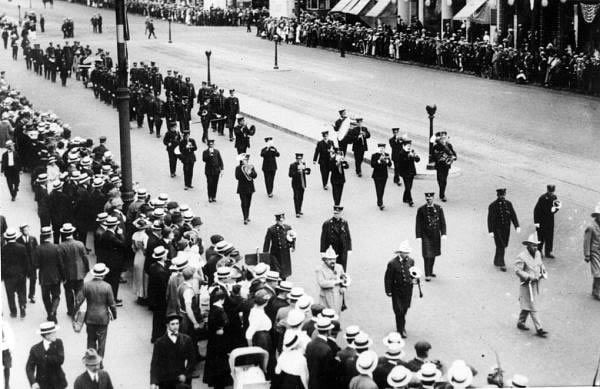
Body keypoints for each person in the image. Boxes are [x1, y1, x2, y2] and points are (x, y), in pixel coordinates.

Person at [515, 234, 548, 338]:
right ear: (528, 245)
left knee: (527, 305)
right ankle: (539, 328)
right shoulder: (521, 256)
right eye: (533, 245)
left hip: (535, 283)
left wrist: (543, 271)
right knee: (533, 305)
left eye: (536, 245)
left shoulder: (537, 253)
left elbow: (540, 264)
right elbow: (517, 270)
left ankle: (521, 322)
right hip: (526, 285)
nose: (535, 248)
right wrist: (528, 277)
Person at [150, 314, 196, 389]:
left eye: (177, 323)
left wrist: (185, 374)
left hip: (181, 379)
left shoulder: (186, 339)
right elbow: (155, 363)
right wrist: (153, 382)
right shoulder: (159, 342)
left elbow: (192, 359)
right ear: (167, 325)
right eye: (172, 324)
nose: (175, 326)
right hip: (166, 380)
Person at [82, 263, 117, 359]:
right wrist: (114, 315)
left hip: (90, 317)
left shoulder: (86, 285)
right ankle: (100, 361)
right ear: (104, 274)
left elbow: (79, 300)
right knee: (102, 341)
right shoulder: (107, 286)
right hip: (103, 318)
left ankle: (92, 359)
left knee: (91, 340)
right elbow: (112, 304)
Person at [384, 241, 417, 338]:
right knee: (399, 310)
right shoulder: (392, 263)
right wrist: (388, 290)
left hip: (407, 290)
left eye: (407, 253)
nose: (406, 254)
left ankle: (401, 326)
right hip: (396, 290)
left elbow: (412, 273)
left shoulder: (411, 261)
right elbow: (388, 278)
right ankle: (401, 329)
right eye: (404, 252)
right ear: (400, 252)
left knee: (405, 308)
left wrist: (414, 280)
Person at [57, 223, 89, 316]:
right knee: (79, 292)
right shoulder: (80, 244)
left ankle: (70, 311)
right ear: (72, 232)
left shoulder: (61, 246)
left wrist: (62, 276)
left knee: (68, 292)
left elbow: (61, 263)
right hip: (79, 273)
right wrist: (86, 270)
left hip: (67, 274)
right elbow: (85, 258)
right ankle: (78, 309)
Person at [34, 227, 63, 323]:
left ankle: (50, 313)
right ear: (50, 236)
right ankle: (53, 312)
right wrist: (63, 277)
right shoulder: (56, 247)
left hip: (44, 277)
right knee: (56, 296)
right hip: (55, 276)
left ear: (42, 236)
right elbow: (60, 264)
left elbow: (36, 264)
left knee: (45, 297)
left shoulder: (38, 248)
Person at [25, 322, 67, 389]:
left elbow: (60, 360)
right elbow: (29, 367)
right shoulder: (35, 349)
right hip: (43, 384)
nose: (56, 335)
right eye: (53, 333)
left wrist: (46, 356)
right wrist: (33, 382)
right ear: (47, 336)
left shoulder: (58, 343)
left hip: (58, 382)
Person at [203, 289, 231, 389]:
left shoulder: (213, 308)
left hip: (213, 341)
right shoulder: (220, 310)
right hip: (219, 341)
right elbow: (225, 323)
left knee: (214, 362)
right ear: (222, 299)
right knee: (220, 363)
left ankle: (216, 382)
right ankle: (220, 383)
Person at [415, 193, 447, 281]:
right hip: (425, 235)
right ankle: (427, 273)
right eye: (427, 198)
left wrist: (443, 233)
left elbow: (442, 221)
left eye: (430, 198)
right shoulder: (421, 209)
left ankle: (431, 271)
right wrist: (418, 236)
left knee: (433, 254)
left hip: (436, 234)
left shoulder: (438, 208)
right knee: (427, 254)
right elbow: (418, 223)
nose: (429, 199)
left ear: (433, 198)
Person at [487, 188, 520, 271]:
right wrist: (490, 231)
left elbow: (513, 215)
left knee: (503, 245)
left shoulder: (508, 204)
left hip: (506, 229)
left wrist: (517, 226)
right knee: (501, 245)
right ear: (497, 195)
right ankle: (502, 263)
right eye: (500, 195)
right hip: (497, 229)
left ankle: (496, 260)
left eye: (503, 195)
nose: (502, 196)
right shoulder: (493, 205)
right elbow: (490, 219)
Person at [1, 228, 28, 318]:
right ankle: (22, 306)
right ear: (15, 237)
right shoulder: (22, 247)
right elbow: (25, 262)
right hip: (20, 274)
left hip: (8, 276)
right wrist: (26, 273)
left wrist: (2, 276)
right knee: (21, 292)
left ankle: (13, 311)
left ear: (7, 239)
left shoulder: (3, 249)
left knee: (10, 295)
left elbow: (2, 264)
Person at [147, 246, 171, 343]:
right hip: (160, 299)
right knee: (160, 318)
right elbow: (164, 287)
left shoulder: (154, 266)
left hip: (155, 298)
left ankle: (156, 336)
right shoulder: (160, 271)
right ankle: (158, 337)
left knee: (157, 318)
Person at [306, 317, 337, 389]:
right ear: (328, 330)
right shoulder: (327, 349)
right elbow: (327, 372)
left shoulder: (310, 344)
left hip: (310, 381)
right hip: (321, 384)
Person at [263, 213, 296, 279]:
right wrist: (265, 254)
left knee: (284, 270)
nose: (281, 222)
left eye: (282, 220)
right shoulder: (271, 229)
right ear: (277, 221)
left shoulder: (288, 228)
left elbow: (293, 237)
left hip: (285, 253)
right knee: (276, 270)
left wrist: (293, 246)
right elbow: (267, 242)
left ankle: (283, 280)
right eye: (279, 221)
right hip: (275, 253)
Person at [316, 246, 347, 315]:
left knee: (337, 316)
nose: (332, 261)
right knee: (326, 317)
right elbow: (322, 283)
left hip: (338, 296)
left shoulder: (339, 267)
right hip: (326, 298)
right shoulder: (320, 269)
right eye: (330, 259)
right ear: (325, 260)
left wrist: (344, 287)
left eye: (334, 259)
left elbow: (345, 279)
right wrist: (336, 282)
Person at [320, 206, 352, 271]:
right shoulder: (327, 223)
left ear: (341, 214)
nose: (336, 215)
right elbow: (323, 238)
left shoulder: (344, 222)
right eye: (335, 213)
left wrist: (349, 248)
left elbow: (348, 236)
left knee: (342, 266)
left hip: (342, 248)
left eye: (338, 213)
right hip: (332, 248)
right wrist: (322, 251)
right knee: (331, 266)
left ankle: (342, 278)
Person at [534, 184, 560, 258]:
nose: (551, 193)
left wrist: (554, 210)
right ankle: (539, 251)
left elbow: (557, 206)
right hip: (542, 220)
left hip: (550, 221)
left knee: (549, 237)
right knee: (541, 237)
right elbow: (536, 210)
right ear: (547, 190)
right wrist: (536, 222)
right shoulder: (542, 198)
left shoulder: (554, 197)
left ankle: (548, 252)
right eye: (550, 192)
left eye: (552, 192)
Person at [431, 131, 457, 202]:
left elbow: (454, 153)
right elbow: (433, 156)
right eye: (442, 137)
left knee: (444, 180)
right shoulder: (436, 146)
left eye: (445, 137)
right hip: (439, 166)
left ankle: (442, 194)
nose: (443, 139)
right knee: (440, 180)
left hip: (446, 166)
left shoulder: (449, 145)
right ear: (440, 138)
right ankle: (442, 193)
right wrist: (439, 157)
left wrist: (453, 157)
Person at [235, 153, 257, 224]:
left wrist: (249, 171)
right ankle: (245, 217)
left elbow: (255, 175)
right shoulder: (238, 168)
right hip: (242, 188)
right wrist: (244, 171)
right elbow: (237, 177)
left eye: (247, 159)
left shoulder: (251, 166)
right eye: (245, 159)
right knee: (243, 202)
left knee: (248, 202)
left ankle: (247, 216)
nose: (246, 161)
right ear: (241, 160)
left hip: (250, 187)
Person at [131, 218, 150, 304]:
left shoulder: (134, 234)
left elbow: (133, 247)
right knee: (143, 277)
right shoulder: (145, 237)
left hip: (137, 255)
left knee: (137, 276)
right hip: (143, 256)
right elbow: (146, 248)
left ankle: (138, 294)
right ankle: (143, 296)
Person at [584, 204, 600, 301]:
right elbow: (587, 241)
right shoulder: (591, 227)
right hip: (594, 252)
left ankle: (595, 289)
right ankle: (598, 292)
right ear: (596, 216)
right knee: (598, 272)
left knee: (598, 272)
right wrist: (587, 255)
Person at [397, 139, 420, 206]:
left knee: (410, 187)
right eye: (407, 145)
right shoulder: (401, 153)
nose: (409, 147)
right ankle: (410, 200)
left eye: (410, 145)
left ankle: (404, 198)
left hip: (411, 172)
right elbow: (402, 163)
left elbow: (418, 160)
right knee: (407, 186)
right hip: (405, 173)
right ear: (403, 146)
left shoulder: (411, 152)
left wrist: (415, 156)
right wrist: (408, 157)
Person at [370, 143, 392, 210]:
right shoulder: (374, 155)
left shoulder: (387, 155)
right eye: (380, 148)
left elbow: (390, 165)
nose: (382, 149)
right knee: (378, 189)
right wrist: (379, 161)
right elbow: (372, 165)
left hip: (384, 175)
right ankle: (380, 203)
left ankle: (379, 201)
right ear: (378, 148)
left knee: (382, 189)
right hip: (376, 175)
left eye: (383, 148)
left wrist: (388, 161)